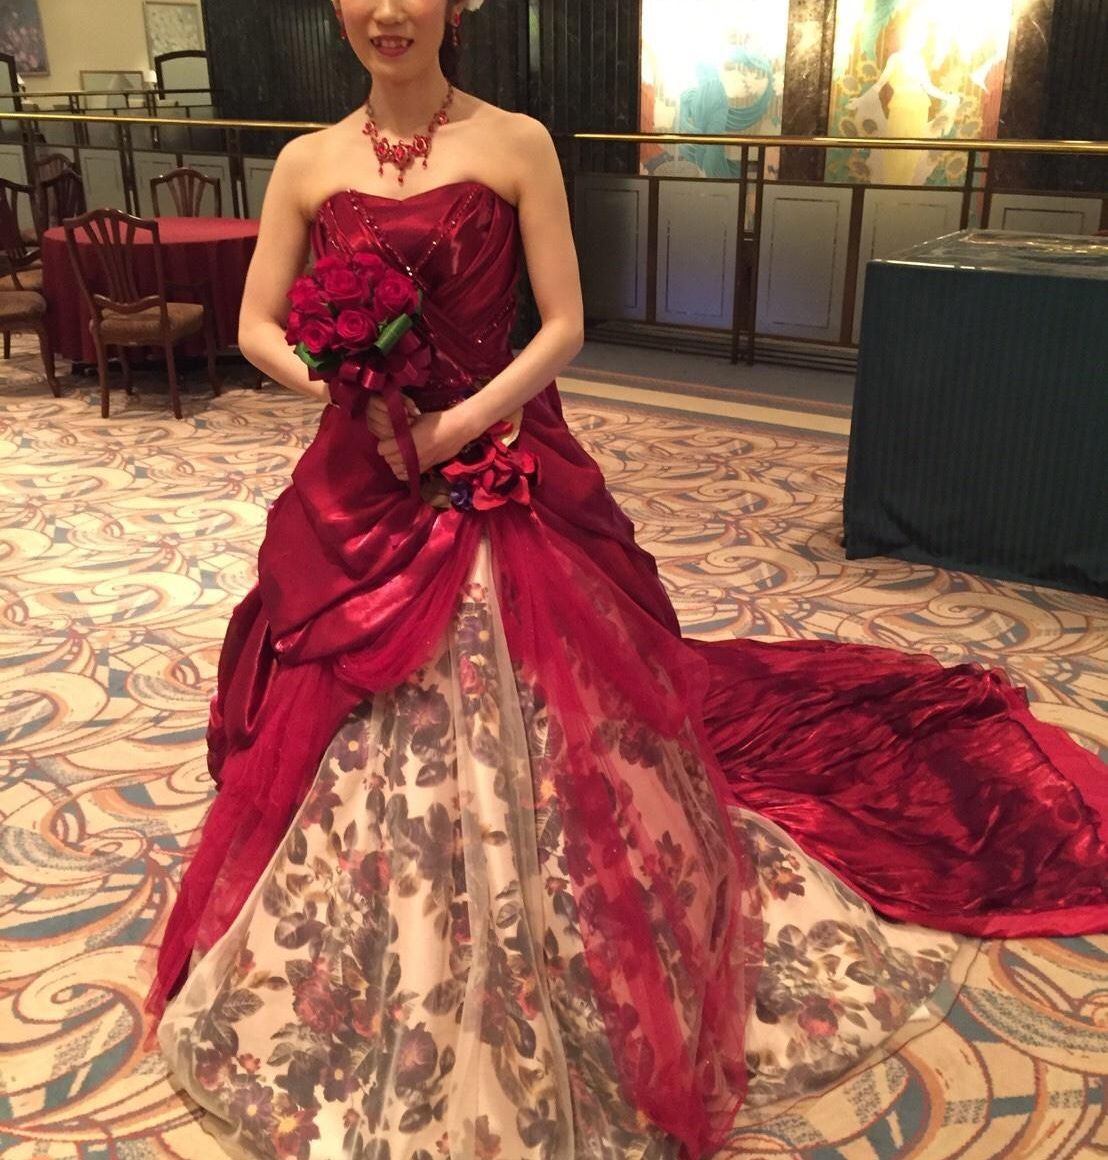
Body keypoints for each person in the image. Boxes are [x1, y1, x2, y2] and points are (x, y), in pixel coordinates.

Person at [145, 2, 1108, 1157]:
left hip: (497, 451)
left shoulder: (515, 141)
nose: (388, 11)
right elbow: (257, 323)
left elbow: (562, 324)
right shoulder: (307, 160)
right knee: (338, 699)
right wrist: (346, 391)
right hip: (368, 470)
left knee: (550, 699)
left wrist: (454, 426)